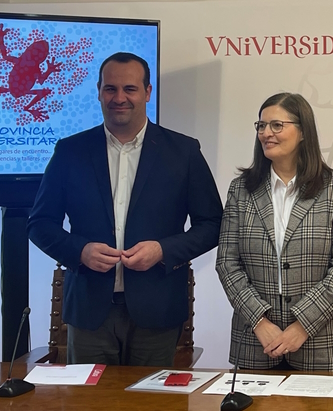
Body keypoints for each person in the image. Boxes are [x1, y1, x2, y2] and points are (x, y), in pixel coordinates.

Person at [27, 52, 223, 366]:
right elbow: (39, 224)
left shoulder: (183, 151)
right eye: (110, 89)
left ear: (147, 92)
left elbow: (213, 224)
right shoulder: (70, 151)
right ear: (99, 91)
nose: (120, 98)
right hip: (89, 311)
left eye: (130, 89)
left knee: (151, 410)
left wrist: (163, 249)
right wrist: (81, 251)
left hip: (158, 310)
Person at [216, 92, 333, 371]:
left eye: (276, 125)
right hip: (257, 344)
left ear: (303, 131)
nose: (266, 133)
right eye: (261, 126)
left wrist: (302, 326)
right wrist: (259, 321)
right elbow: (227, 263)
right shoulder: (241, 190)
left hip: (323, 345)